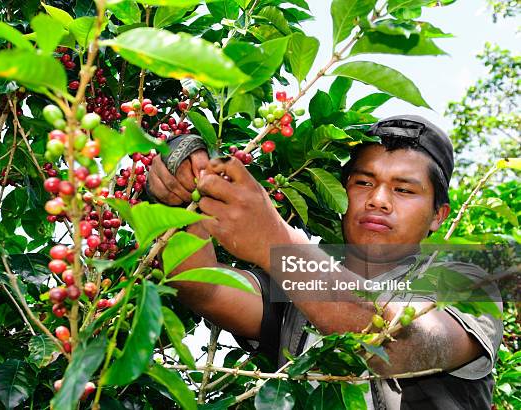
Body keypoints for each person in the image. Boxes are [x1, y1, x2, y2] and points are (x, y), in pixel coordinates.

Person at [146, 115, 503, 409]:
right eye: (363, 182)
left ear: (438, 216)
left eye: (404, 189)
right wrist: (177, 194)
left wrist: (277, 241)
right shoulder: (297, 290)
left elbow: (404, 344)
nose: (379, 200)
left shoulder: (467, 281)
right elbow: (201, 287)